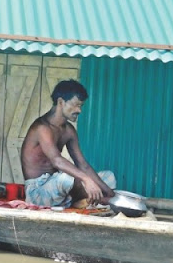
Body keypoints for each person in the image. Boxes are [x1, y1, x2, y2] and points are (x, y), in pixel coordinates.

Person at [21, 79, 116, 208]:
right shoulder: (42, 128)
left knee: (108, 177)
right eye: (76, 105)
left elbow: (83, 165)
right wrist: (86, 180)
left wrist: (110, 193)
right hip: (38, 193)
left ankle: (93, 200)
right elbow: (57, 161)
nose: (79, 110)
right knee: (66, 178)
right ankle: (98, 201)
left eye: (81, 106)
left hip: (58, 189)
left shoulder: (69, 130)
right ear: (61, 102)